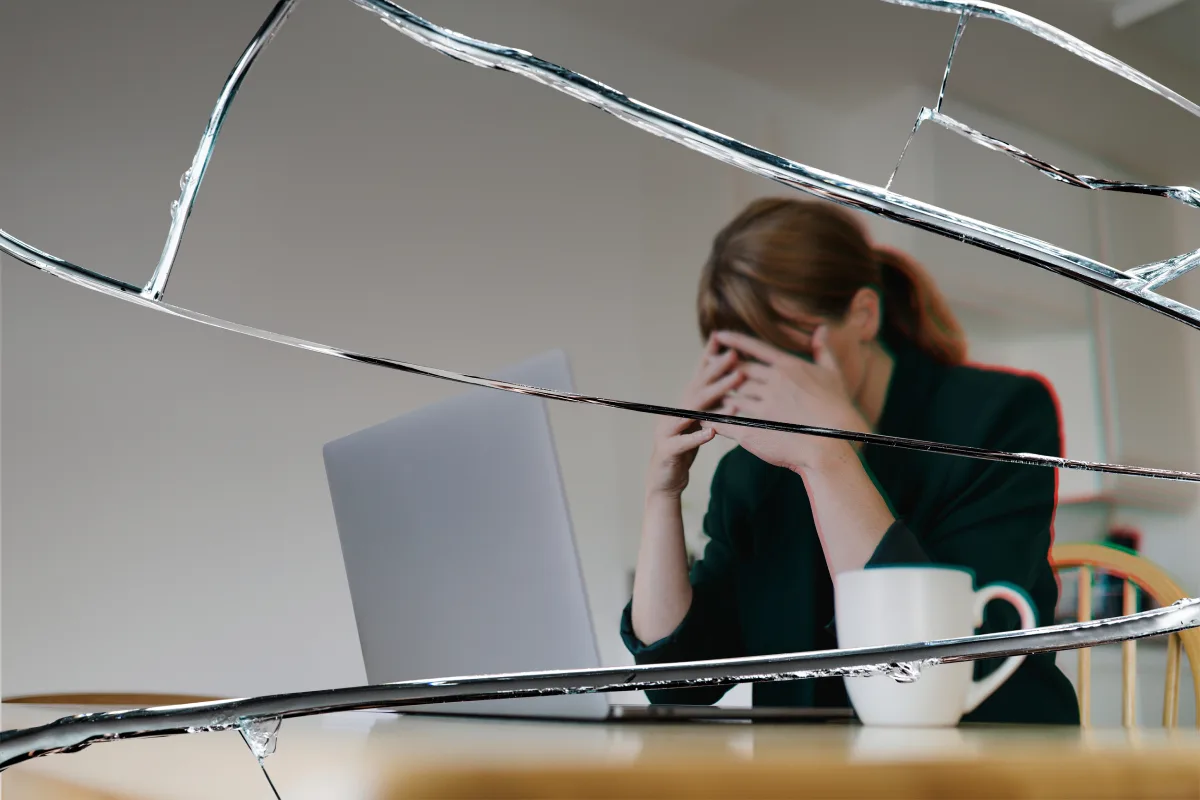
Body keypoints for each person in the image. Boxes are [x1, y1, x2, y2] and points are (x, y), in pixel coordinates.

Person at [621, 197, 1080, 724]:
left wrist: (829, 457)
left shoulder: (998, 415)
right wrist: (662, 492)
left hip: (991, 757)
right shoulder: (749, 474)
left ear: (863, 315)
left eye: (786, 355)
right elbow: (678, 679)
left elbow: (925, 671)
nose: (774, 389)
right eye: (747, 363)